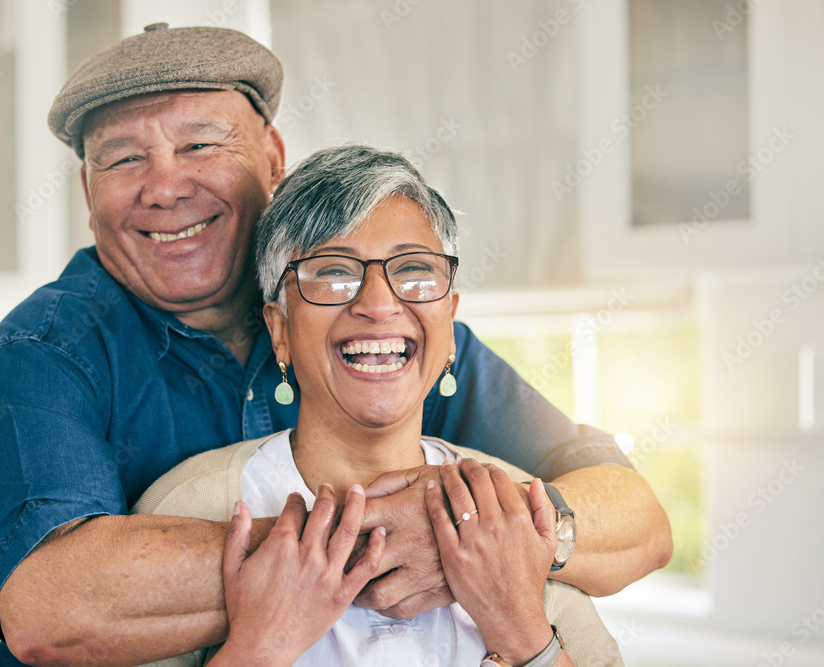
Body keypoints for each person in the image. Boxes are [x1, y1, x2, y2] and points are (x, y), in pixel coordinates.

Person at [0, 24, 671, 667]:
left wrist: (496, 538)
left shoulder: (384, 327)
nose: (164, 186)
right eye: (123, 159)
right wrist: (392, 538)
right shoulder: (47, 348)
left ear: (272, 156)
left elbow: (637, 519)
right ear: (86, 189)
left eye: (199, 143)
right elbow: (49, 607)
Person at [134, 144, 625, 667]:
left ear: (449, 321)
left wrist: (522, 630)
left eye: (414, 269)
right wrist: (261, 648)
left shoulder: (507, 508)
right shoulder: (191, 508)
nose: (378, 303)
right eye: (333, 272)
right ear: (279, 330)